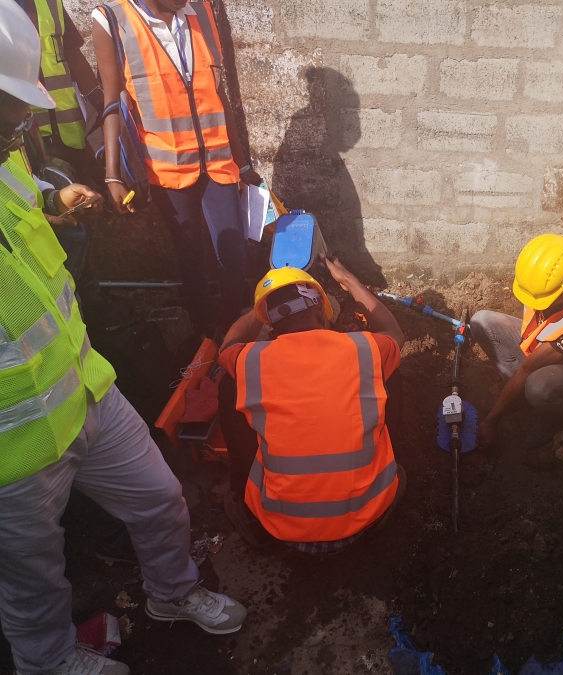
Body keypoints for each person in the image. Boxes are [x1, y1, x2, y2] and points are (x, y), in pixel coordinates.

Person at [0, 3, 246, 673]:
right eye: (9, 109)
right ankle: (48, 661)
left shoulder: (5, 160)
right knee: (33, 574)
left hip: (86, 390)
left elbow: (24, 200)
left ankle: (172, 593)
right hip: (16, 446)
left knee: (161, 499)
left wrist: (56, 199)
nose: (19, 126)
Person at [92, 0, 262, 333]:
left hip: (218, 161)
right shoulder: (112, 19)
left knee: (234, 252)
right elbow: (111, 103)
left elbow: (217, 94)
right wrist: (112, 175)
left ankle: (233, 332)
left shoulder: (201, 11)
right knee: (189, 254)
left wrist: (242, 165)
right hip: (167, 167)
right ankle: (204, 332)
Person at [217, 256, 406, 554]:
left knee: (230, 385)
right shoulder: (365, 349)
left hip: (281, 527)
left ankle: (242, 498)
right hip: (367, 517)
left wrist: (265, 302)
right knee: (389, 372)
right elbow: (394, 332)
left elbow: (228, 346)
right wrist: (350, 281)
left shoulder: (251, 361)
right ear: (322, 314)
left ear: (272, 329)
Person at [472, 234, 563, 447]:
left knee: (538, 386)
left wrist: (491, 420)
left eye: (542, 300)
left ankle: (553, 422)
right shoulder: (559, 276)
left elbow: (527, 368)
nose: (536, 303)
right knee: (481, 321)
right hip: (543, 342)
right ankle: (518, 397)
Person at [16, 0, 104, 181]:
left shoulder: (51, 2)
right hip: (25, 138)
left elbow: (73, 55)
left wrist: (103, 110)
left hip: (72, 131)